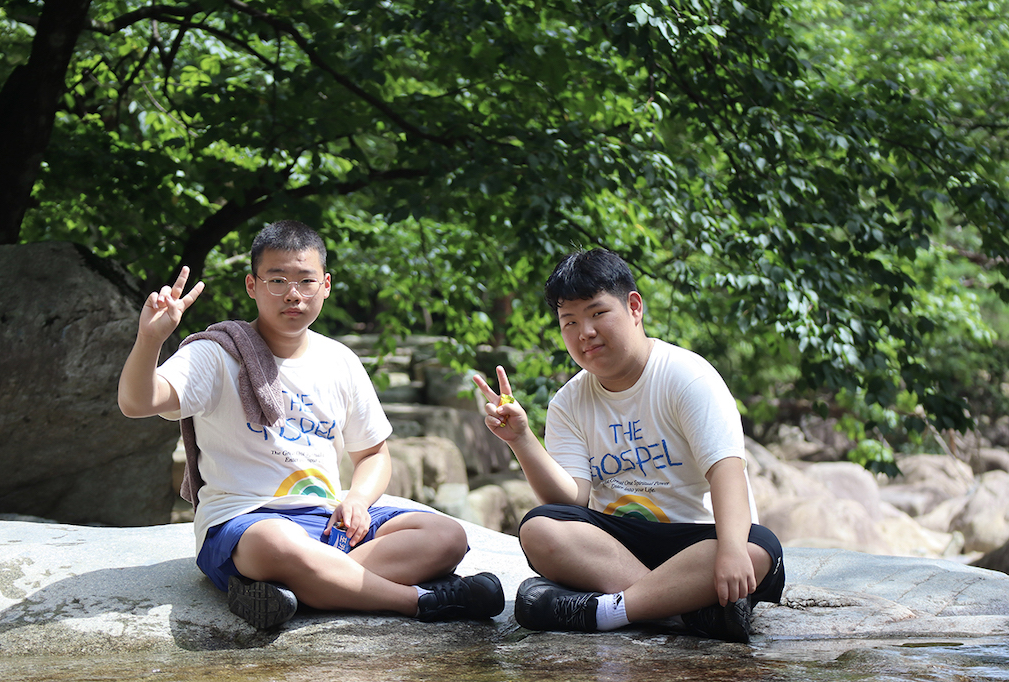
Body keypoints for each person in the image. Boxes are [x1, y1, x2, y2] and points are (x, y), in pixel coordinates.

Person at [119, 220, 503, 629]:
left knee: (446, 536)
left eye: (306, 281)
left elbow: (374, 453)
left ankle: (301, 588)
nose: (293, 294)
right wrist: (150, 339)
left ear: (326, 285)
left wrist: (358, 500)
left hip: (327, 519)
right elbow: (137, 402)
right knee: (278, 544)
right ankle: (420, 601)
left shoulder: (340, 361)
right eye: (277, 280)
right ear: (252, 285)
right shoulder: (216, 354)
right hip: (247, 522)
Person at [472, 248, 784, 643]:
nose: (585, 332)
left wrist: (733, 550)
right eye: (570, 321)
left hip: (697, 542)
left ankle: (605, 612)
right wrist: (521, 439)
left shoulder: (687, 377)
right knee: (539, 527)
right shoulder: (568, 402)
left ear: (634, 307)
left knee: (758, 546)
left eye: (598, 313)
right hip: (617, 550)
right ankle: (688, 611)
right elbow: (570, 501)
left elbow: (727, 472)